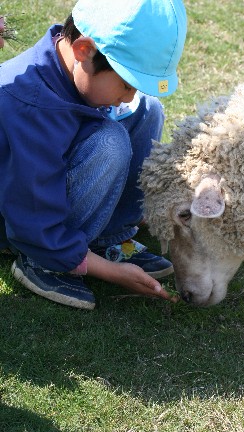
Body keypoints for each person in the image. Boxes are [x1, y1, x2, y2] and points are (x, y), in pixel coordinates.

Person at [0, 0, 187, 310]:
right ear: (84, 51)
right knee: (110, 141)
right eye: (127, 83)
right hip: (24, 225)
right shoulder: (29, 106)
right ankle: (43, 263)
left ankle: (109, 235)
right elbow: (30, 209)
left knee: (147, 109)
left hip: (44, 204)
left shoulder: (75, 71)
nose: (129, 93)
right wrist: (110, 274)